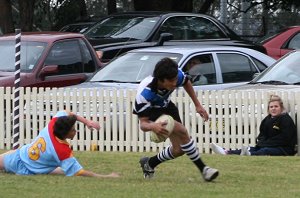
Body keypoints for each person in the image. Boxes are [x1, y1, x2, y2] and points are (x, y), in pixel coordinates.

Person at [133, 57, 219, 182]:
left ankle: (150, 163)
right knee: (182, 131)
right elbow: (143, 124)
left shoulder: (175, 75)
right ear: (161, 80)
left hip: (167, 106)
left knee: (179, 150)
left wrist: (198, 105)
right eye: (171, 81)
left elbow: (186, 82)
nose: (175, 84)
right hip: (152, 111)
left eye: (175, 80)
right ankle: (204, 170)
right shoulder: (145, 95)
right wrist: (153, 126)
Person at [0, 110, 120, 178]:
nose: (76, 131)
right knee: (66, 170)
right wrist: (106, 176)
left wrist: (87, 122)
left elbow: (69, 113)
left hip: (22, 155)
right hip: (23, 165)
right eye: (73, 130)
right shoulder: (61, 151)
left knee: (62, 170)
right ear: (65, 133)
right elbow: (79, 172)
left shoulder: (54, 123)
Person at [211, 95, 297, 156]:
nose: (273, 108)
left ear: (281, 108)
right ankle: (226, 152)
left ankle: (250, 154)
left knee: (265, 150)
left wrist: (266, 144)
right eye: (271, 107)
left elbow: (285, 138)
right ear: (268, 109)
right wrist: (262, 143)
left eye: (276, 106)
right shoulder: (266, 120)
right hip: (266, 145)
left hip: (284, 149)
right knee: (250, 148)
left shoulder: (286, 120)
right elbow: (261, 136)